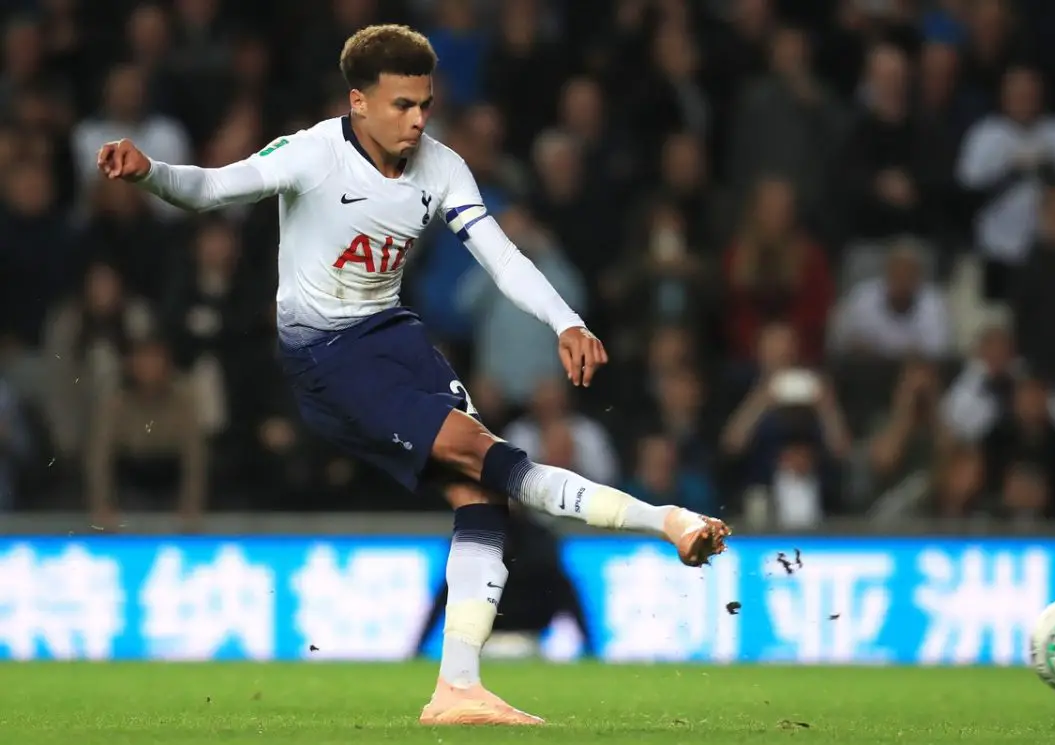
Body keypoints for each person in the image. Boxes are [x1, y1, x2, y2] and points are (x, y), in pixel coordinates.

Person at [95, 24, 729, 726]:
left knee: (481, 496)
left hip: (395, 335)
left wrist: (566, 322)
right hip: (327, 354)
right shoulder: (312, 154)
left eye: (425, 103)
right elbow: (212, 188)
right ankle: (667, 521)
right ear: (359, 102)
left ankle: (458, 687)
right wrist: (149, 171)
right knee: (488, 457)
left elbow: (501, 255)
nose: (419, 119)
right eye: (402, 105)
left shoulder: (441, 166)